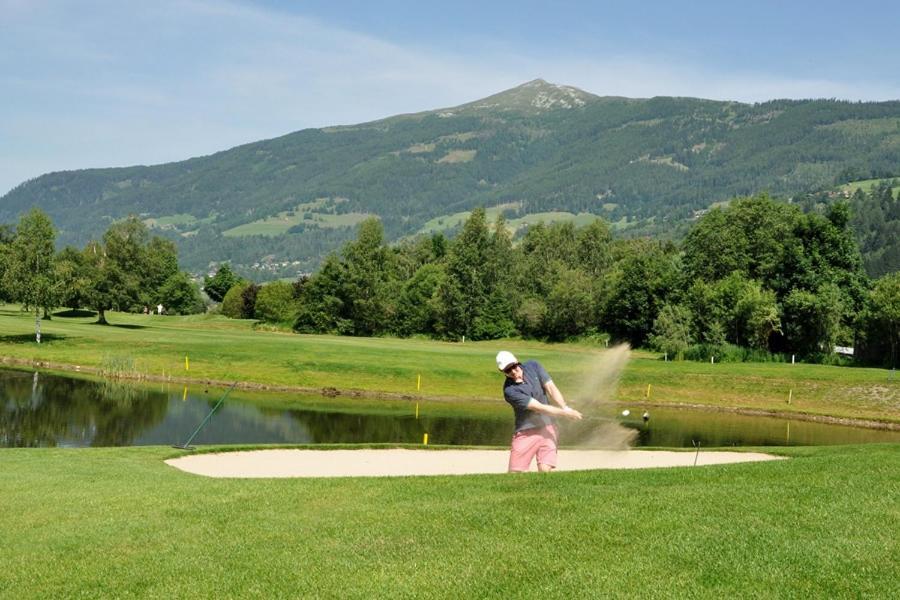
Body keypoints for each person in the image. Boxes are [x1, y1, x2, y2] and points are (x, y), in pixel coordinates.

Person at [496, 350, 582, 473]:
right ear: (502, 372)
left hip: (548, 428)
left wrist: (565, 407)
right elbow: (539, 407)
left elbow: (551, 388)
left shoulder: (533, 366)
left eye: (514, 366)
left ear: (516, 361)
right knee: (515, 473)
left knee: (545, 470)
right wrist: (566, 414)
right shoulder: (510, 391)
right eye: (508, 370)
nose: (513, 371)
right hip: (526, 432)